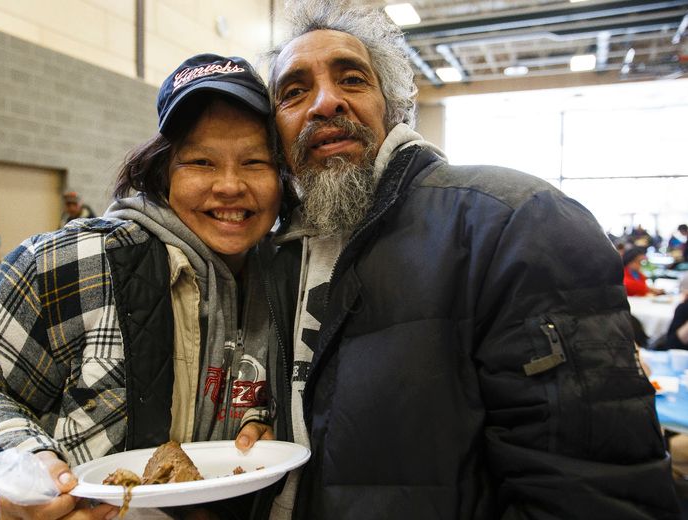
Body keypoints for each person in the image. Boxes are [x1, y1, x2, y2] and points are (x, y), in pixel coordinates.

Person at [256, 1, 681, 518]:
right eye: (294, 91)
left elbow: (590, 491)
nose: (325, 103)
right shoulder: (267, 255)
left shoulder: (513, 224)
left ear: (392, 107)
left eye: (352, 79)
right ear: (274, 132)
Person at [0, 54, 285, 520]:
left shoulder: (287, 284)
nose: (230, 185)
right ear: (164, 172)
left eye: (254, 161)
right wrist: (19, 467)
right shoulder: (76, 263)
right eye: (201, 161)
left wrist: (264, 416)